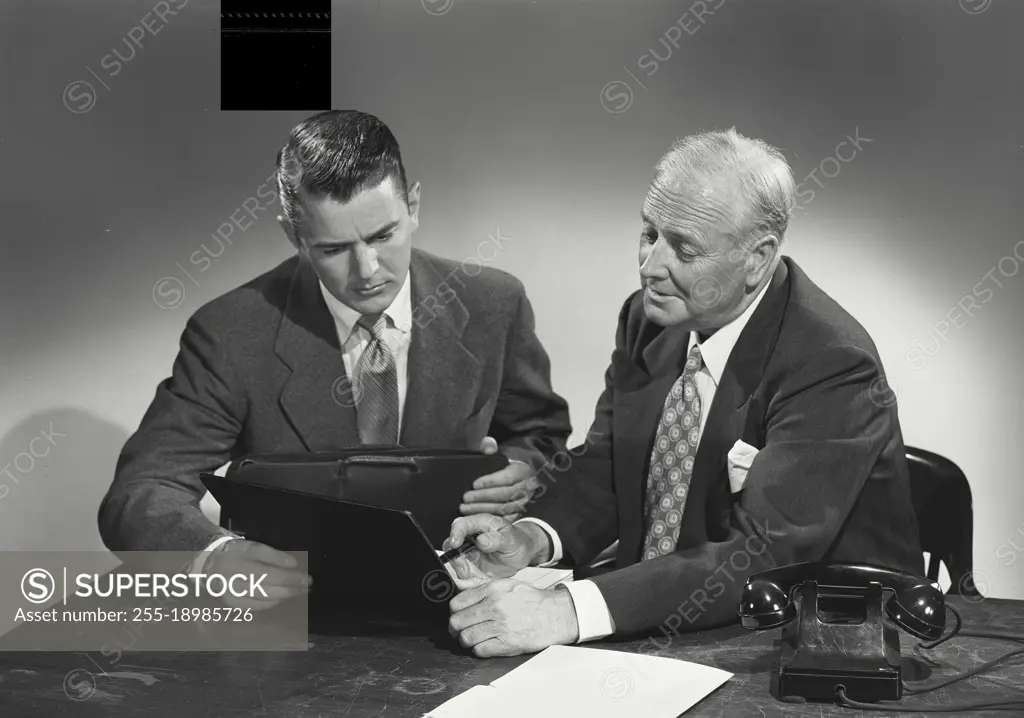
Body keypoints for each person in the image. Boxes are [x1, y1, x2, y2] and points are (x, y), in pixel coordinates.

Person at [443, 128, 923, 657]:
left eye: (684, 249)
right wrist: (531, 538)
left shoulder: (830, 362)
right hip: (661, 624)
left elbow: (761, 556)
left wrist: (566, 610)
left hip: (807, 641)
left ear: (758, 259)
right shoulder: (648, 320)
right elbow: (610, 463)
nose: (650, 267)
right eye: (650, 233)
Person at [98, 110, 572, 609]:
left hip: (460, 598)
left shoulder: (494, 303)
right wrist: (213, 557)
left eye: (382, 236)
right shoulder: (229, 333)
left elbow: (540, 436)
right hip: (293, 614)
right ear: (294, 236)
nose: (366, 271)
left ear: (413, 207)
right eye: (333, 249)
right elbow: (141, 490)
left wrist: (523, 471)